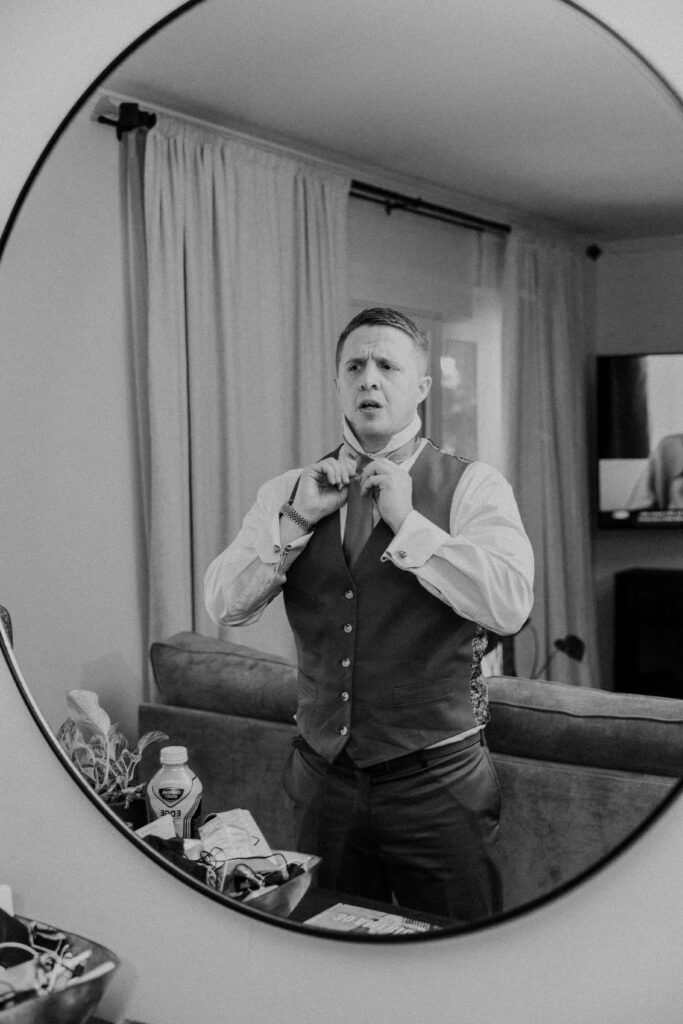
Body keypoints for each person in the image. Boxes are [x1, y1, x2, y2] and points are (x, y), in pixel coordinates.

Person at [205, 307, 534, 922]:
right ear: (337, 383)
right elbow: (225, 602)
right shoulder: (285, 491)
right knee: (325, 960)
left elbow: (511, 603)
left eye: (387, 365)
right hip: (322, 781)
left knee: (454, 967)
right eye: (354, 366)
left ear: (422, 388)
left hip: (438, 784)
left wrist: (409, 524)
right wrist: (298, 521)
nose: (369, 379)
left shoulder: (474, 486)